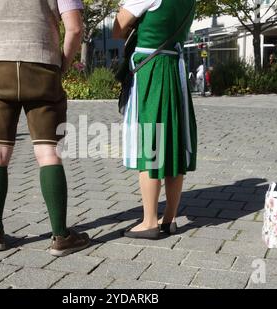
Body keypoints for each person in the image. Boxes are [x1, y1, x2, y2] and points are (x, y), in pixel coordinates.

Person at [0, 0, 90, 257]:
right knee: (48, 153)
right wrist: (62, 65)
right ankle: (60, 236)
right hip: (42, 63)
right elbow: (75, 28)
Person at [113, 0, 197, 239]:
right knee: (172, 141)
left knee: (149, 142)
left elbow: (118, 30)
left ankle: (149, 221)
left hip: (151, 70)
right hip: (173, 67)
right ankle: (169, 219)